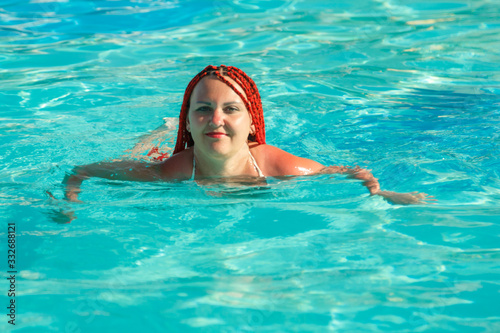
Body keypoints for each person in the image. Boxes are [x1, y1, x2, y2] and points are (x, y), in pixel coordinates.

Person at [63, 65, 435, 205]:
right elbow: (81, 171)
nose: (216, 120)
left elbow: (350, 171)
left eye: (230, 109)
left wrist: (382, 193)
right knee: (146, 155)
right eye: (203, 110)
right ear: (189, 123)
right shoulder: (172, 171)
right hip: (173, 161)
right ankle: (159, 132)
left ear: (253, 123)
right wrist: (70, 202)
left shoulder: (277, 165)